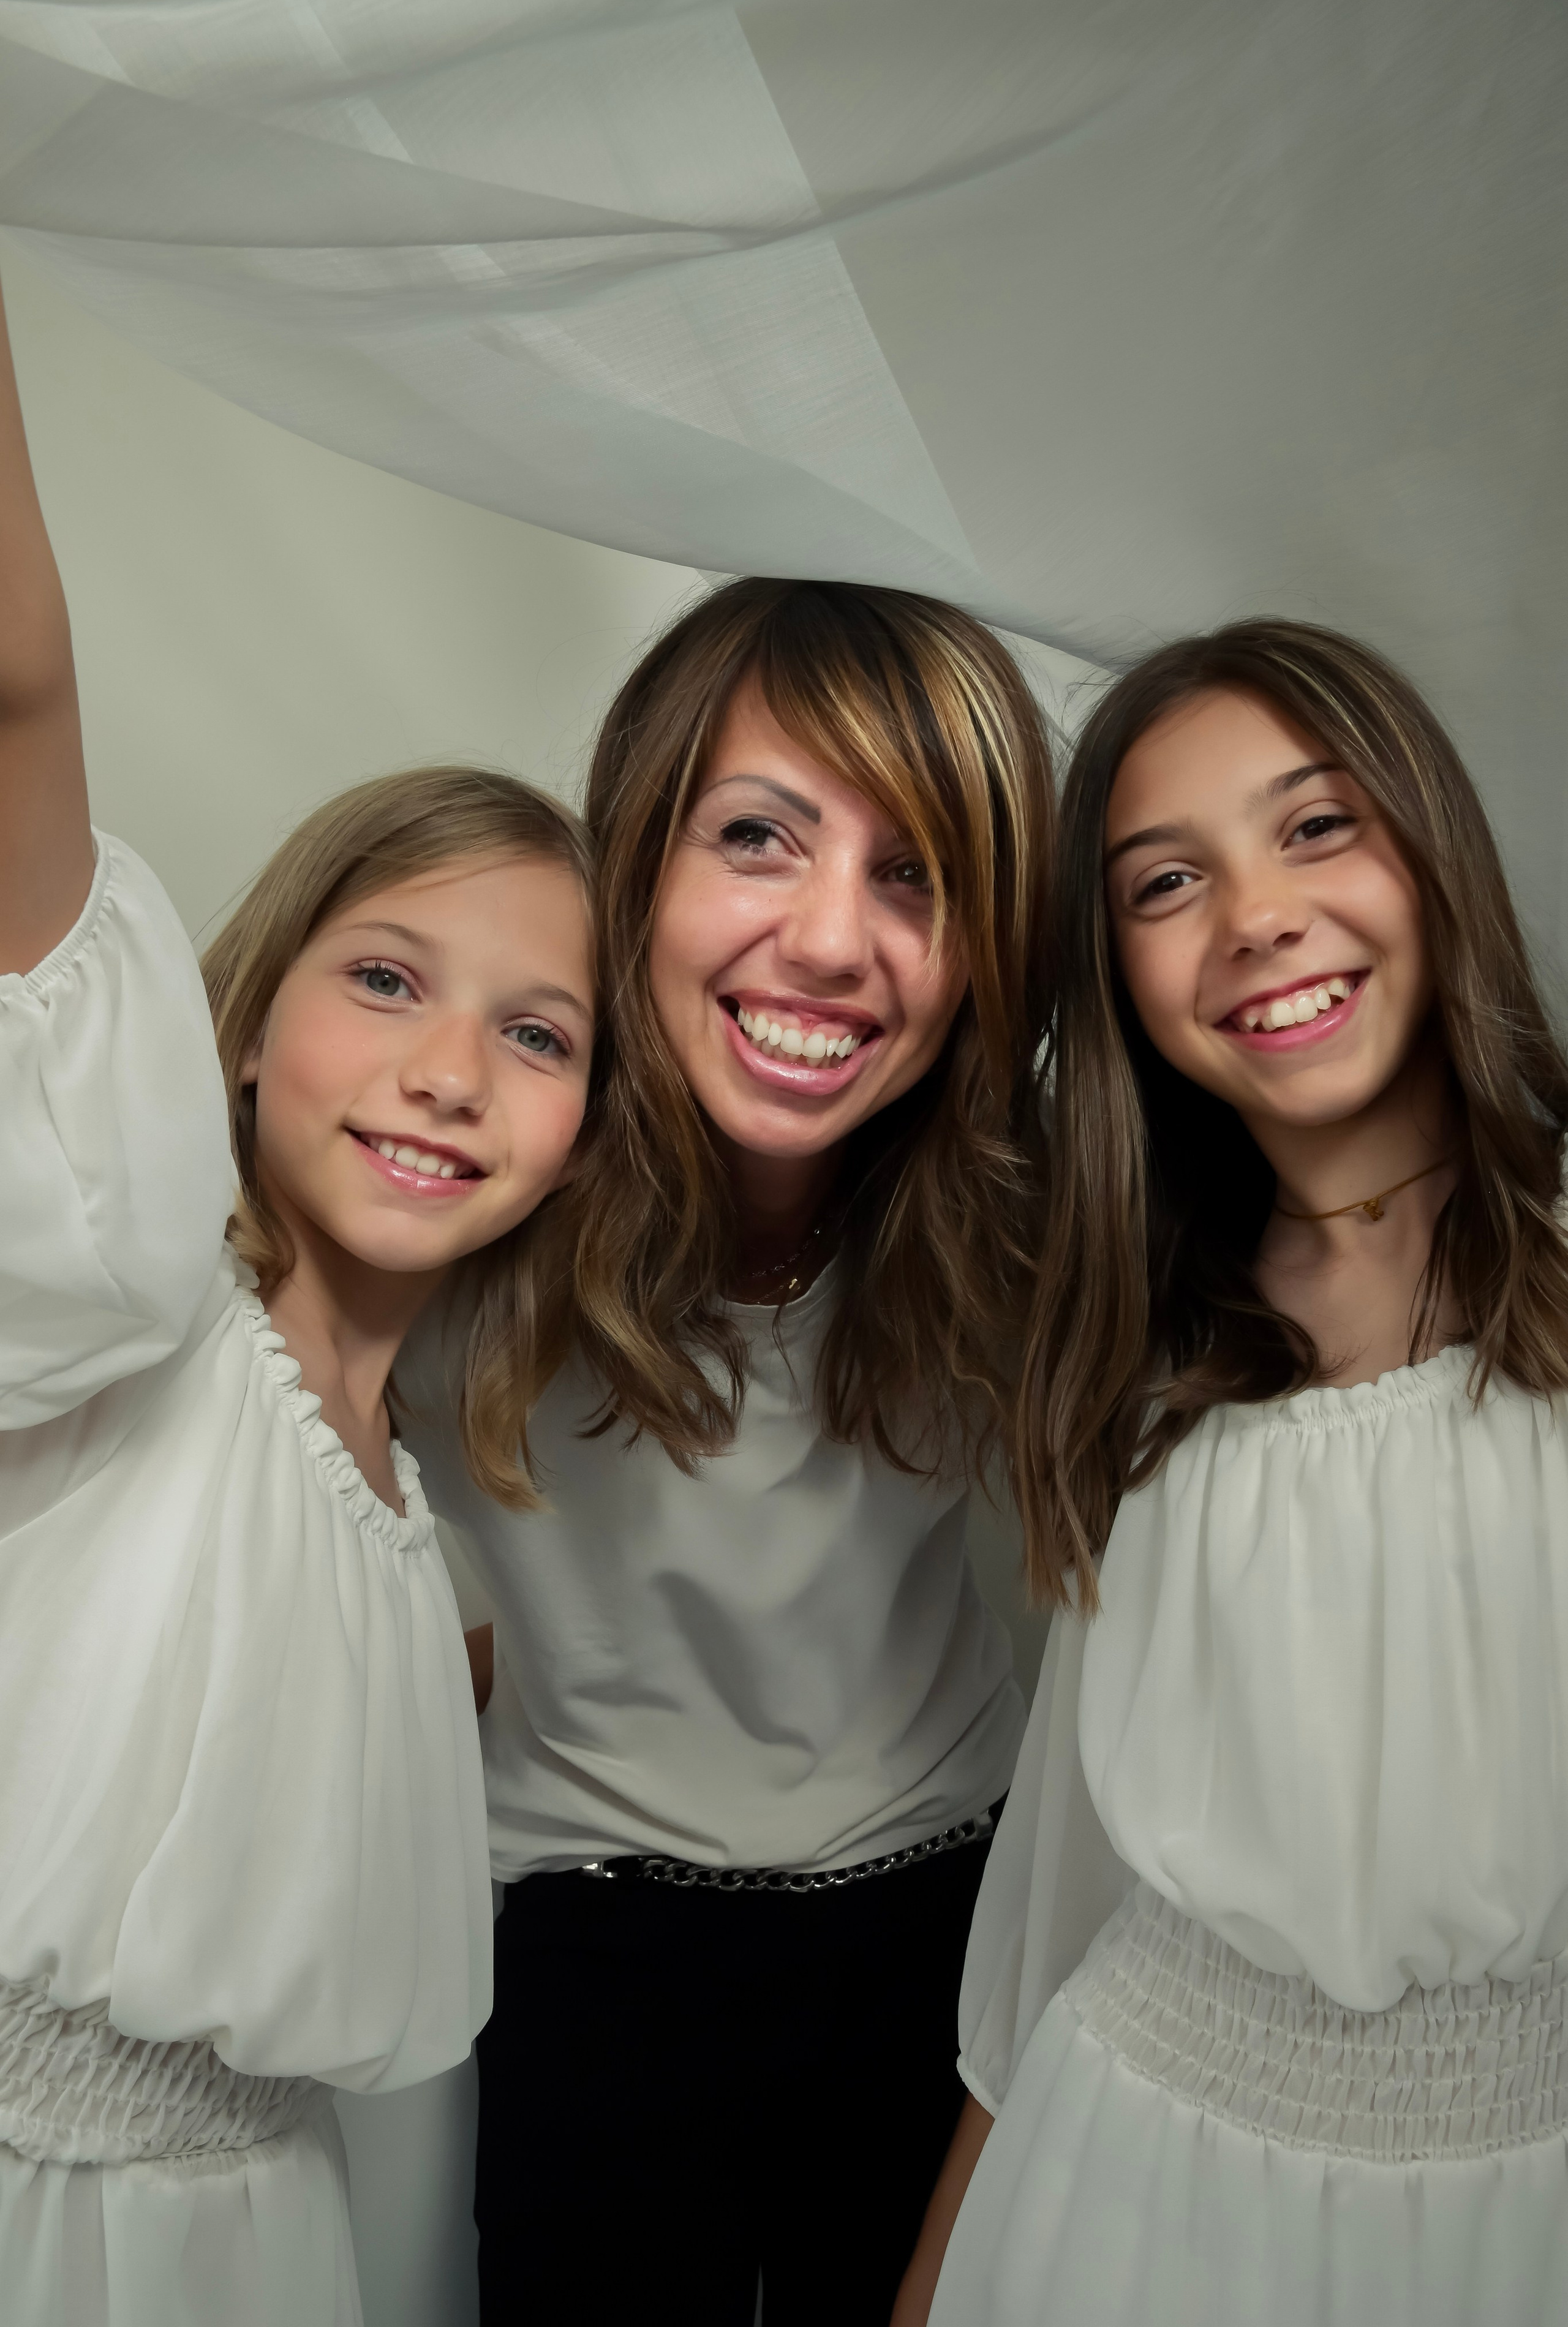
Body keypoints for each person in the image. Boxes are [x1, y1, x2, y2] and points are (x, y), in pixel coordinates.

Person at [0, 273, 597, 2327]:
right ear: (237, 1032)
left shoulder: (412, 1529)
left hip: (255, 2248)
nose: (452, 1069)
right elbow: (12, 682)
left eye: (541, 1034)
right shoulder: (127, 1306)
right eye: (388, 979)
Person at [895, 619, 1568, 2326]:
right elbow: (1063, 1890)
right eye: (1163, 881)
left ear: (1435, 845)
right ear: (1113, 969)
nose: (1258, 912)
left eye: (1318, 823)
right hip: (1138, 2177)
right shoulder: (1148, 1352)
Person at [403, 577, 1057, 2325]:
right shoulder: (460, 1181)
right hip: (588, 1948)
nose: (836, 938)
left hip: (946, 1928)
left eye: (914, 871)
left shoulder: (1029, 1219)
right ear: (634, 867)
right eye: (760, 835)